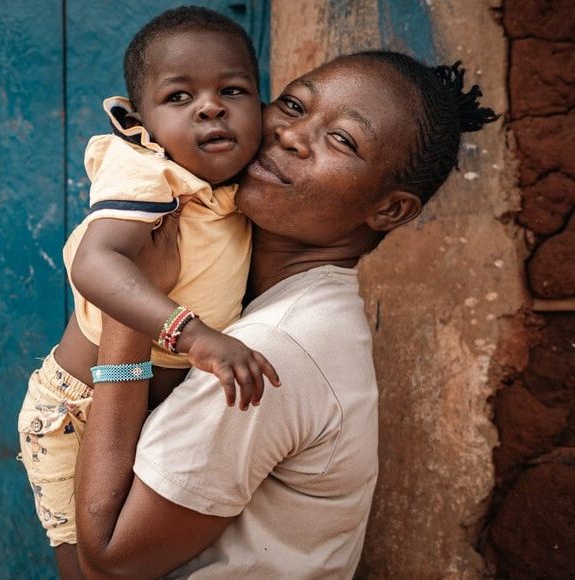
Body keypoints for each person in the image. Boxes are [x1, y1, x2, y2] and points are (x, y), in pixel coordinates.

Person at [74, 52, 498, 579]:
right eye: (293, 105)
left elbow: (107, 562)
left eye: (342, 140)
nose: (292, 136)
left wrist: (128, 311)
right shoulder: (270, 302)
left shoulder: (266, 353)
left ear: (389, 210)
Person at [17, 7, 280, 577]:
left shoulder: (235, 186)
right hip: (79, 410)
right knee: (87, 567)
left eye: (231, 90)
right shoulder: (146, 171)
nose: (210, 106)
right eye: (179, 98)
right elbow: (96, 262)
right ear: (139, 123)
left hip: (157, 410)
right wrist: (195, 336)